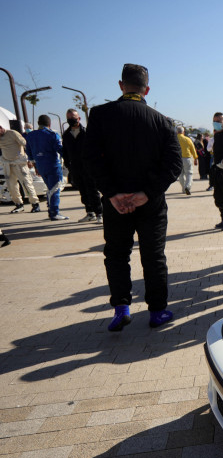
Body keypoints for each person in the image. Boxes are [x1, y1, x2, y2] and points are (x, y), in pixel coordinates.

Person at [84, 63, 182, 332]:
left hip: (115, 203)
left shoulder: (100, 115)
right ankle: (158, 311)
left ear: (121, 85)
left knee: (116, 254)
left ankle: (121, 308)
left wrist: (113, 194)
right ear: (146, 89)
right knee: (153, 256)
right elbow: (174, 166)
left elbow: (91, 159)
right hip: (150, 202)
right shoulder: (162, 121)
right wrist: (146, 194)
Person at [62, 109, 103, 222]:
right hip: (75, 167)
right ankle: (90, 213)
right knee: (83, 191)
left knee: (92, 190)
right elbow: (65, 151)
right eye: (69, 117)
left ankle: (99, 213)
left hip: (88, 167)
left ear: (79, 118)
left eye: (73, 117)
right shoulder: (66, 135)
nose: (71, 119)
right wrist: (68, 165)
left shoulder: (87, 132)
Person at [25, 115, 67, 220]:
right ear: (49, 124)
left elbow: (29, 153)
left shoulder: (30, 135)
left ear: (38, 123)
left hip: (40, 166)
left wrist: (35, 166)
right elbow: (60, 149)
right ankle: (54, 213)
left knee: (50, 189)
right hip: (53, 165)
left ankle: (51, 210)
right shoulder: (52, 135)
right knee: (55, 189)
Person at [0, 123, 40, 213]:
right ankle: (18, 204)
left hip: (19, 163)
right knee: (11, 186)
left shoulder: (13, 133)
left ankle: (35, 204)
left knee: (26, 184)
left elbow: (26, 145)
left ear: (1, 128)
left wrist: (30, 160)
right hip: (7, 164)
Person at [175, 126, 198, 195]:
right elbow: (193, 149)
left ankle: (183, 188)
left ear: (177, 132)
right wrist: (195, 158)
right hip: (187, 158)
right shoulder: (187, 139)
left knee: (180, 175)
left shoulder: (174, 139)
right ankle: (187, 186)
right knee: (189, 173)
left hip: (177, 159)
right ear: (183, 132)